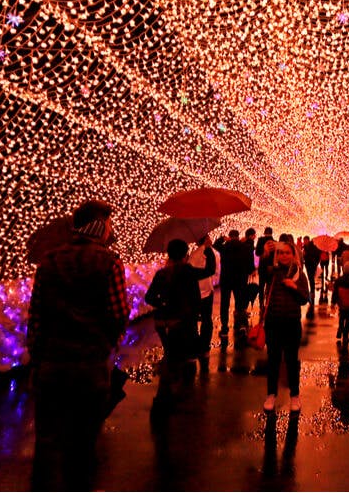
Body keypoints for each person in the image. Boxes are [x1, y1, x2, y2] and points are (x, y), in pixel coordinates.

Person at [27, 199, 129, 490]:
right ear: (98, 227)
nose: (111, 230)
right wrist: (108, 344)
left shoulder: (49, 260)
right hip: (90, 364)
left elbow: (36, 315)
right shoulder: (110, 262)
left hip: (52, 361)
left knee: (47, 440)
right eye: (108, 224)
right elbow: (118, 313)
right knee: (83, 441)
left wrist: (37, 358)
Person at [145, 238, 214, 407]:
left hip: (162, 322)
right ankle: (173, 395)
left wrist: (162, 304)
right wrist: (208, 249)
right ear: (185, 254)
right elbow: (209, 271)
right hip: (182, 321)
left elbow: (149, 297)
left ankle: (165, 393)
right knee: (181, 357)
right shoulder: (188, 271)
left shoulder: (162, 273)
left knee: (170, 353)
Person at [262, 240, 309, 413]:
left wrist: (294, 286)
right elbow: (262, 274)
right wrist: (265, 255)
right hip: (273, 322)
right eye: (280, 253)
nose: (284, 256)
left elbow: (305, 298)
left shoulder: (298, 274)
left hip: (291, 322)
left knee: (291, 360)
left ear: (293, 255)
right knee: (273, 359)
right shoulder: (272, 271)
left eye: (287, 253)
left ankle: (295, 395)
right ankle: (271, 394)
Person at [218, 229, 254, 338]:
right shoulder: (245, 247)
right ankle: (240, 326)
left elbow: (215, 245)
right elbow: (250, 265)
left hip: (226, 279)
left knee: (224, 304)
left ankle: (224, 328)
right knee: (240, 303)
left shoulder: (224, 247)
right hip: (240, 280)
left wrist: (222, 239)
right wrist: (248, 272)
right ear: (238, 236)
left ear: (229, 236)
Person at [188, 235, 217, 362]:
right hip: (205, 292)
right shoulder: (207, 252)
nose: (211, 240)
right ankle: (204, 348)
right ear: (205, 240)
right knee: (206, 320)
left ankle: (194, 348)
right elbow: (211, 270)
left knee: (193, 321)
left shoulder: (192, 255)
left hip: (194, 293)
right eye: (209, 238)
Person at [331, 253, 349, 344]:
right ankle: (346, 336)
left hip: (342, 303)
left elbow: (335, 292)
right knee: (348, 320)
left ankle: (340, 328)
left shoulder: (339, 281)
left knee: (342, 317)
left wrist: (333, 302)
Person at [301, 237, 320, 319]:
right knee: (310, 277)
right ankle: (312, 291)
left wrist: (316, 263)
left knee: (311, 278)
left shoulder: (313, 247)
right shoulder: (305, 246)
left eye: (305, 240)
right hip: (308, 264)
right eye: (304, 241)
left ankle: (312, 291)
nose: (304, 242)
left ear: (308, 240)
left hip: (312, 264)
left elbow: (316, 255)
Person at [257, 238, 276, 316]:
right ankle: (265, 304)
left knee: (263, 288)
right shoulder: (274, 246)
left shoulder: (262, 250)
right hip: (268, 271)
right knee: (267, 287)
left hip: (264, 271)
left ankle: (263, 304)